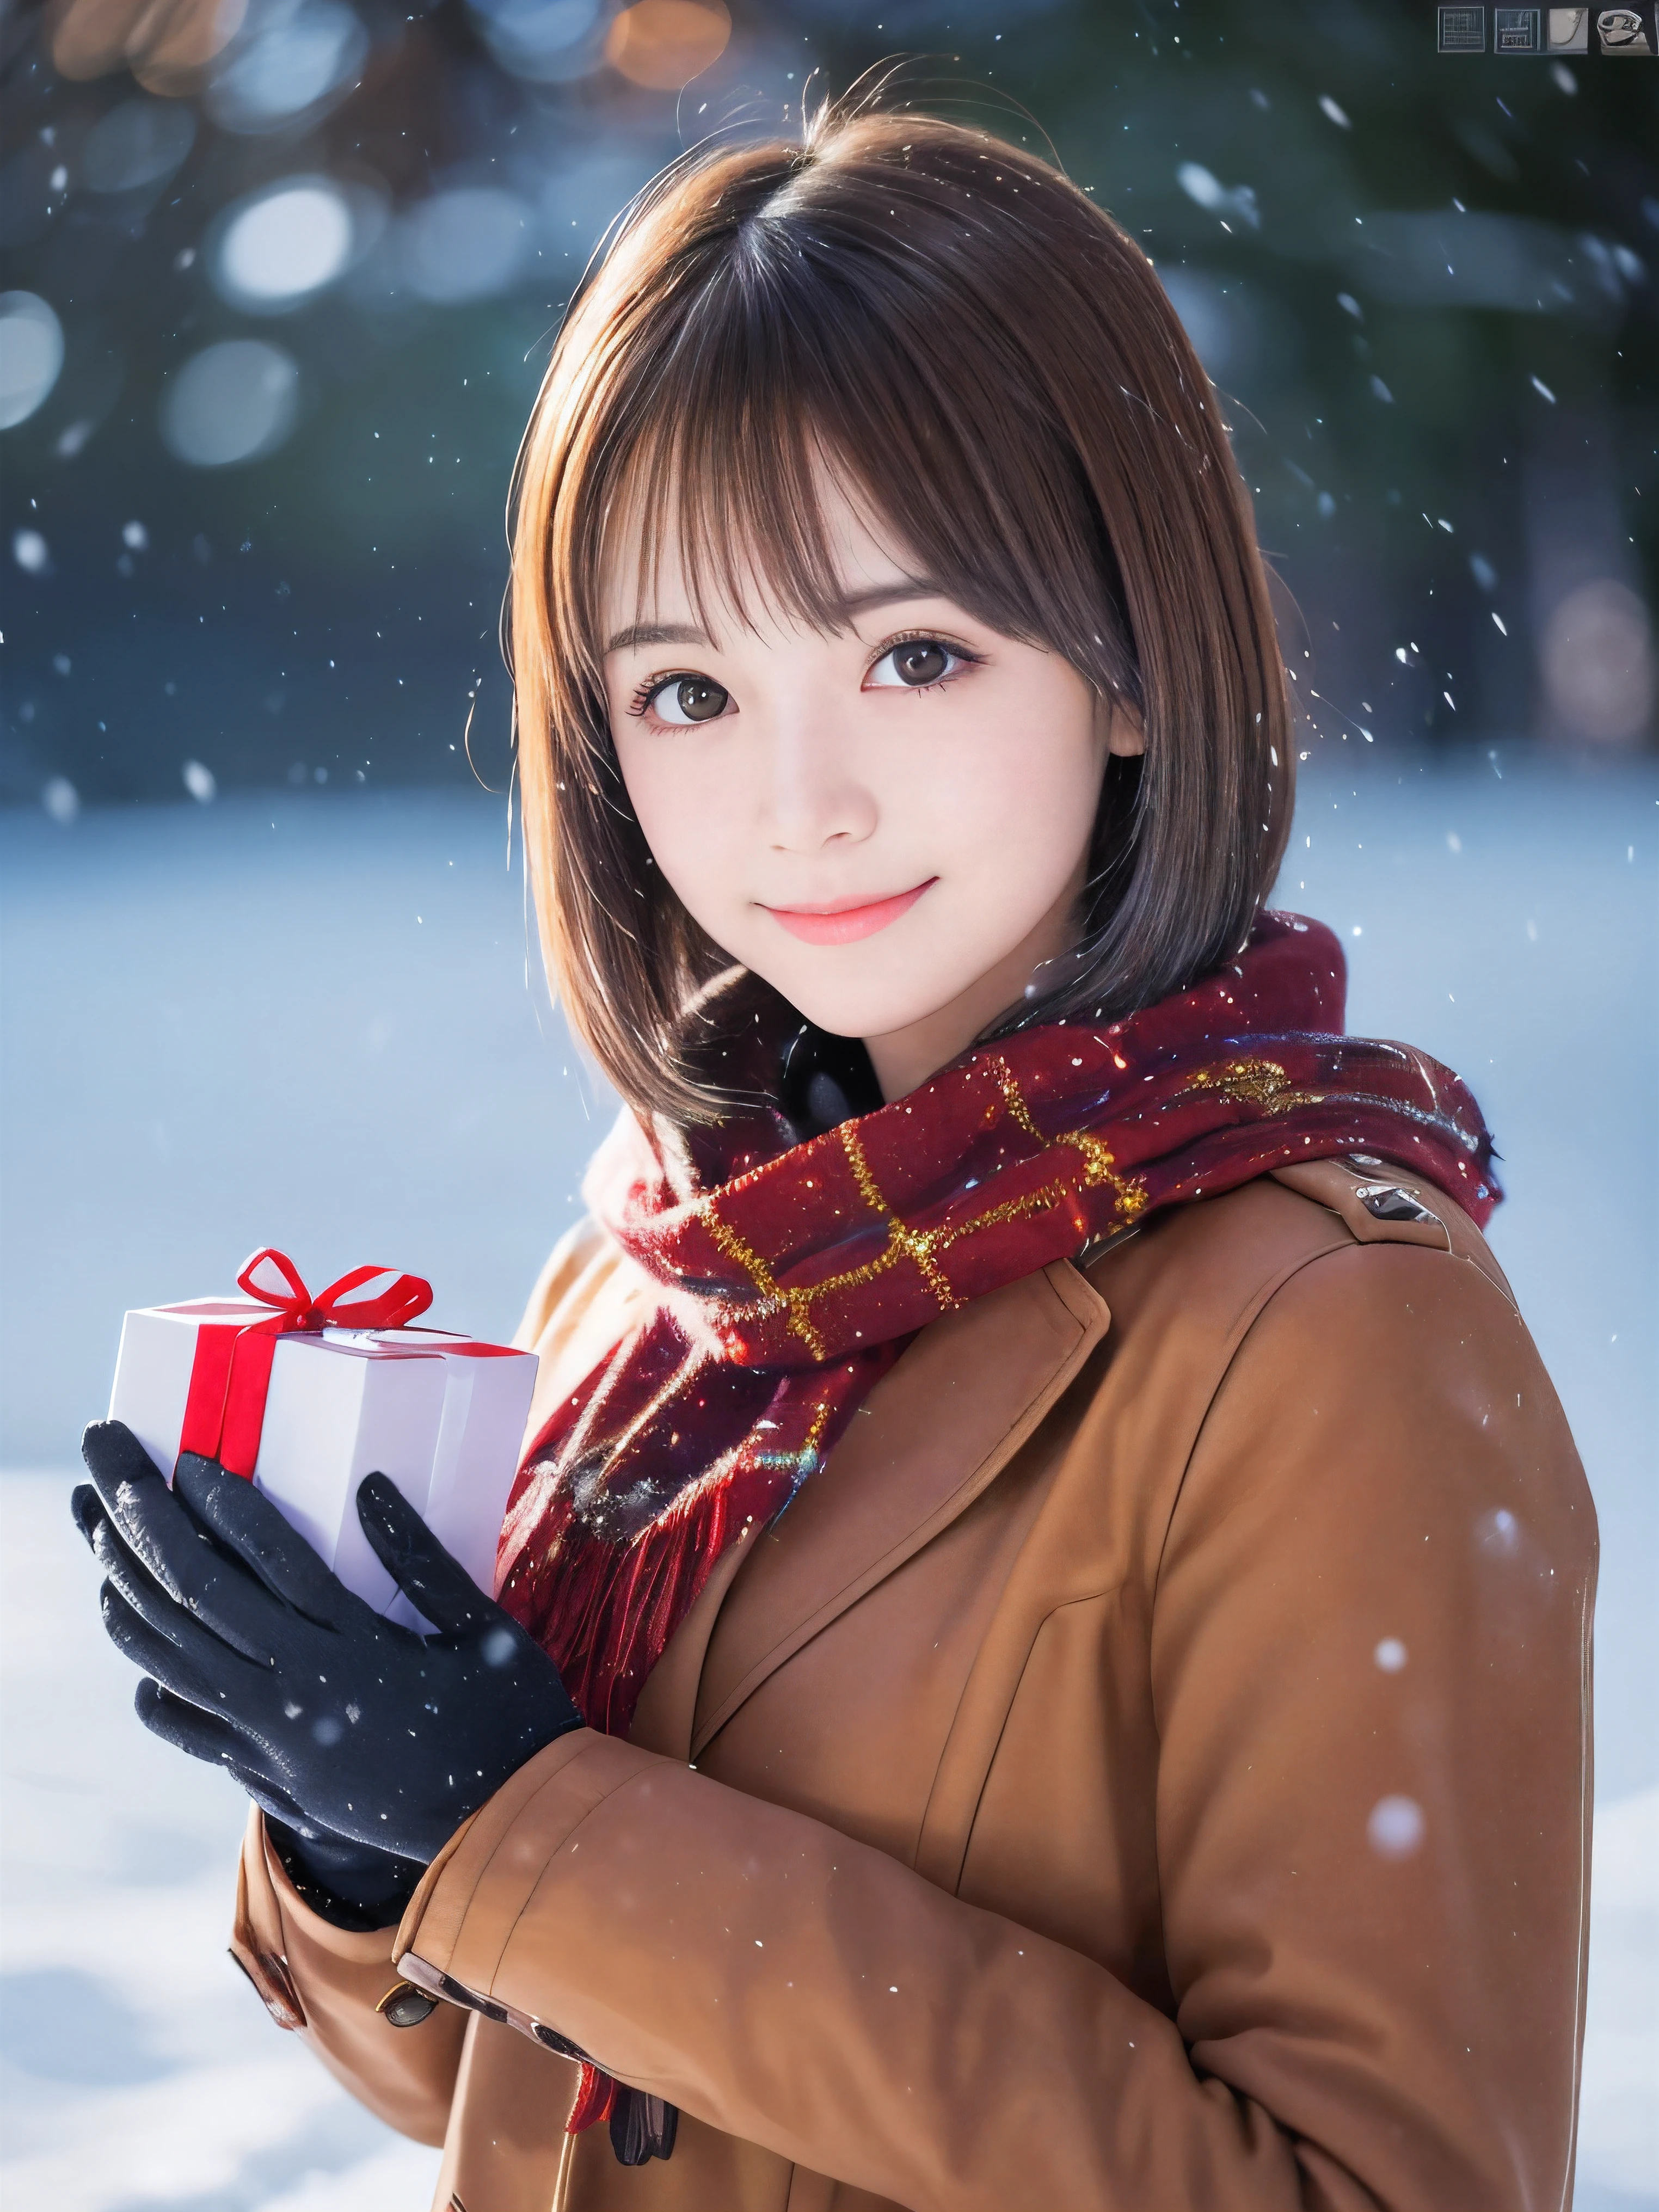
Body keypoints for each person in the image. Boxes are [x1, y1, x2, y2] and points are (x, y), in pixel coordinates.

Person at [74, 101, 1595, 2212]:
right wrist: (365, 1828)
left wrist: (529, 1819)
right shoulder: (671, 1269)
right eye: (688, 686)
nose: (799, 802)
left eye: (913, 653)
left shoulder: (1336, 1331)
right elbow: (538, 2089)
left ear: (1135, 658)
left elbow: (1368, 2184)